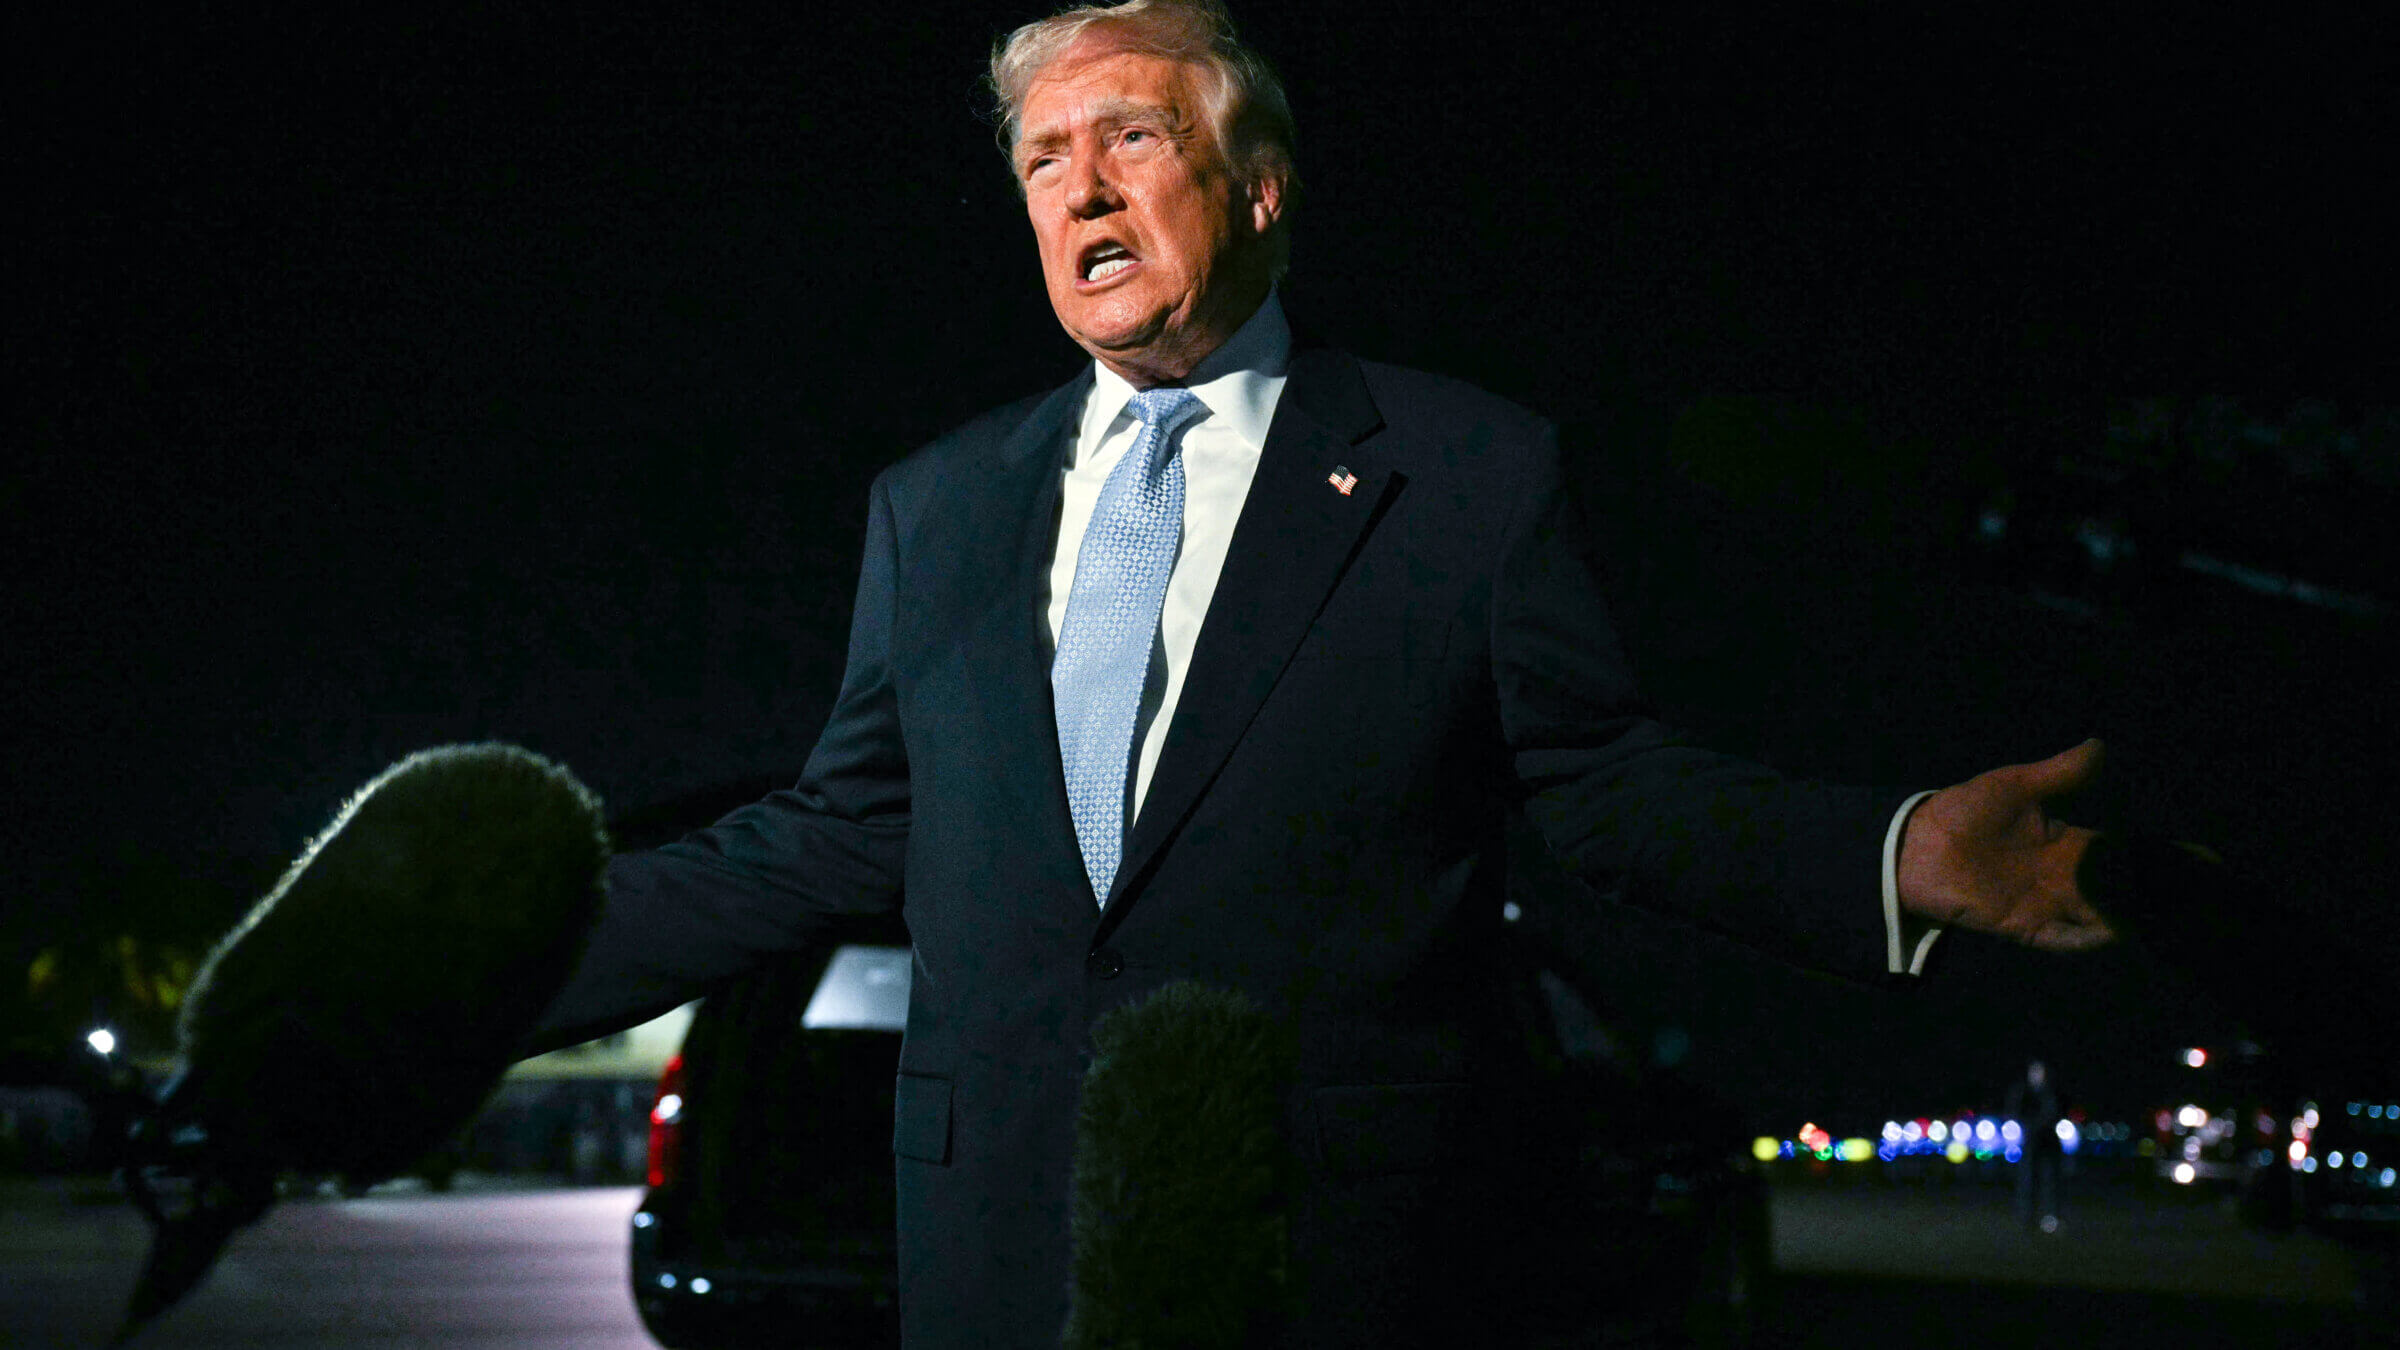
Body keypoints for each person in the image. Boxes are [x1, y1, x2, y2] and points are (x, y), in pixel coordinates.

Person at [531, 2, 2116, 1342]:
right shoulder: (934, 508)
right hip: (998, 1254)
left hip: (1332, 1250)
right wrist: (484, 963)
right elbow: (830, 830)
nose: (1080, 190)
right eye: (1041, 161)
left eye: (1132, 141)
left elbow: (1607, 788)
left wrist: (1897, 853)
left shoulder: (1462, 473)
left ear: (1264, 190)